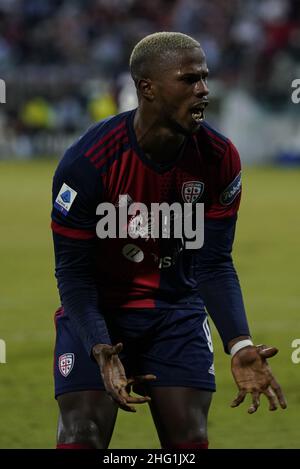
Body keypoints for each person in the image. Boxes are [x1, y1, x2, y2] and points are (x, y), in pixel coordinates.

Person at [51, 32, 287, 450]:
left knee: (189, 439)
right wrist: (99, 347)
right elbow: (73, 273)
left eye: (205, 78)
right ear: (148, 88)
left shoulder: (219, 157)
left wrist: (240, 344)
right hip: (100, 312)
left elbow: (213, 263)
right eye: (189, 79)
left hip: (175, 312)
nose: (203, 90)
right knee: (81, 433)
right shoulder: (87, 163)